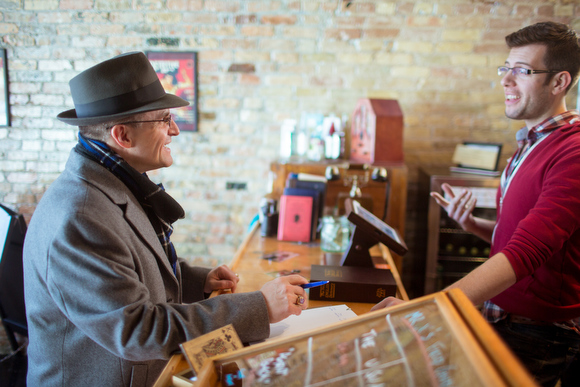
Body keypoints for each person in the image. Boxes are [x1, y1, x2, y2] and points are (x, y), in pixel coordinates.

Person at [22, 52, 309, 387]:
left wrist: (191, 280)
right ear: (123, 136)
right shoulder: (80, 215)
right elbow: (139, 331)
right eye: (163, 119)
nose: (174, 129)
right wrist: (259, 307)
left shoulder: (111, 181)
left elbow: (126, 267)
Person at [373, 21, 580, 387]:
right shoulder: (530, 142)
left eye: (522, 71)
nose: (506, 80)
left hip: (538, 332)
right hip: (502, 316)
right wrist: (473, 225)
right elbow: (518, 235)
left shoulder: (573, 150)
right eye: (506, 69)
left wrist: (428, 309)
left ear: (559, 82)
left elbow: (529, 249)